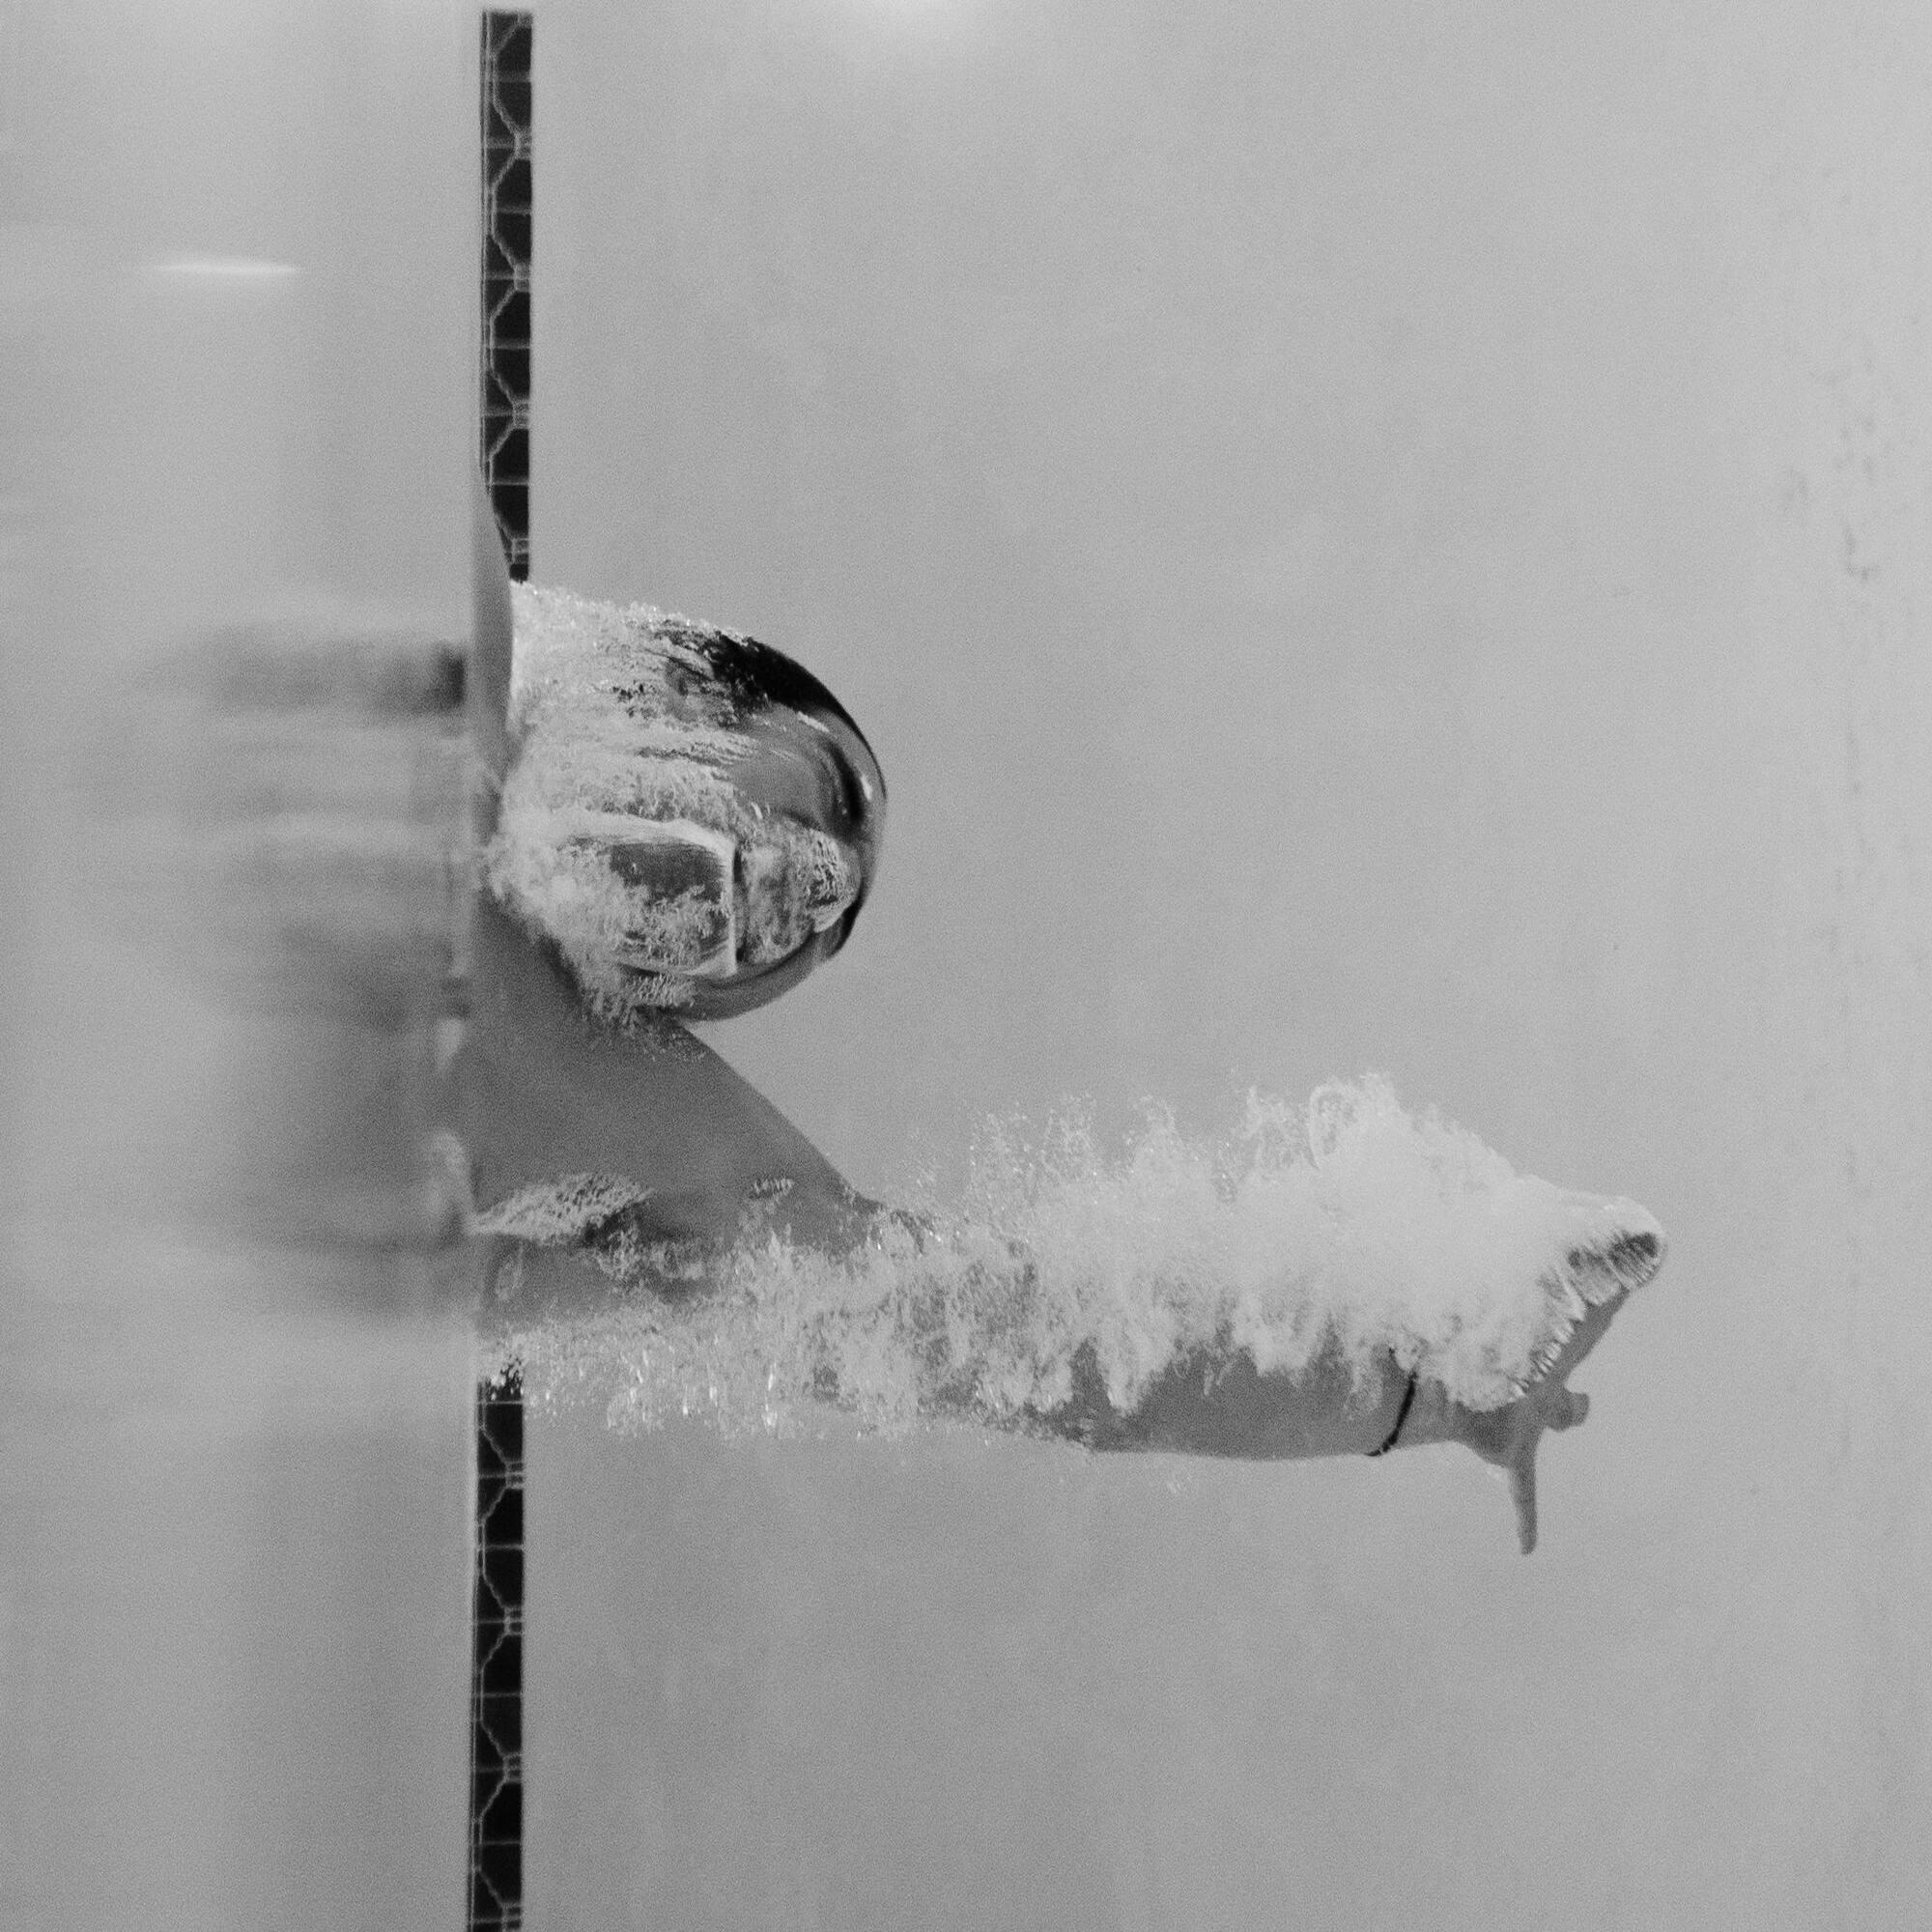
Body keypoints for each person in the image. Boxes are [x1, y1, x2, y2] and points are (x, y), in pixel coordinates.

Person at [453, 485, 1662, 1553]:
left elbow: (1033, 1340)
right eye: (825, 792)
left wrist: (1427, 1377)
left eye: (812, 941)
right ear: (668, 683)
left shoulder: (614, 1115)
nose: (817, 887)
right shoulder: (438, 601)